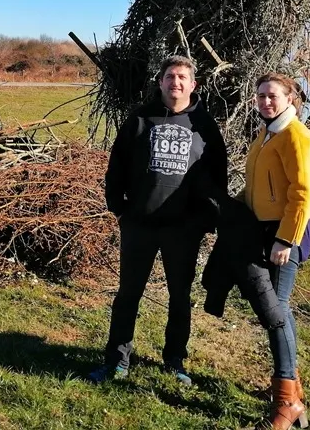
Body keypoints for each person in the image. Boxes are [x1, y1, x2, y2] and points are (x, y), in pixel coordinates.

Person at [88, 55, 228, 386]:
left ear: (193, 85)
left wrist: (205, 219)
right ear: (161, 82)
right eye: (169, 76)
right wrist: (118, 207)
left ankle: (175, 361)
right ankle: (117, 359)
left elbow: (217, 178)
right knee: (128, 294)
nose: (175, 82)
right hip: (140, 224)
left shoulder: (205, 127)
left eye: (182, 77)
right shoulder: (139, 118)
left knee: (179, 296)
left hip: (183, 229)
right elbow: (117, 165)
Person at [244, 72, 310, 430]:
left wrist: (285, 239)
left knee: (277, 311)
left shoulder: (295, 135)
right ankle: (292, 389)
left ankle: (287, 401)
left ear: (290, 98)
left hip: (285, 233)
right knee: (276, 311)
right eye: (260, 96)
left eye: (272, 95)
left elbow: (302, 193)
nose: (265, 101)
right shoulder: (267, 132)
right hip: (263, 229)